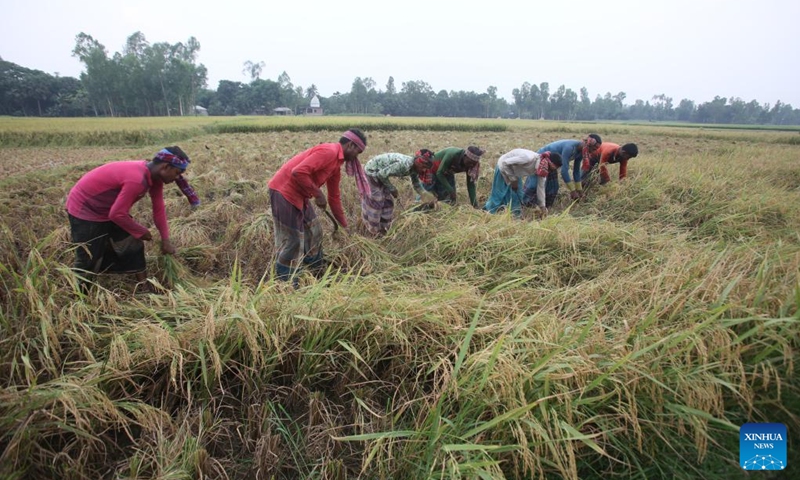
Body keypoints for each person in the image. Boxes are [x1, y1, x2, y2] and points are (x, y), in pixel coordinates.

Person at [65, 146, 190, 292]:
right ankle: (80, 295)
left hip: (110, 208)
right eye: (177, 173)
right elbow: (117, 214)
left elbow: (159, 208)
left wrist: (165, 240)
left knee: (132, 243)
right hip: (86, 209)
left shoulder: (155, 177)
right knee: (89, 256)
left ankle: (143, 287)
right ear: (166, 166)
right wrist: (140, 231)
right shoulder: (137, 179)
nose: (177, 178)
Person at [267, 128, 369, 282]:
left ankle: (315, 270)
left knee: (315, 231)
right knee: (293, 240)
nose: (357, 158)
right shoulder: (329, 152)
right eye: (358, 152)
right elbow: (298, 172)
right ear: (351, 145)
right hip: (283, 191)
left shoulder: (336, 165)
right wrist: (318, 194)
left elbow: (334, 198)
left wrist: (343, 226)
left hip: (301, 195)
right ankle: (285, 282)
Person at [361, 149, 436, 236]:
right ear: (418, 161)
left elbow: (416, 184)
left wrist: (425, 194)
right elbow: (381, 174)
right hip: (372, 171)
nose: (423, 170)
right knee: (377, 200)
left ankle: (384, 228)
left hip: (381, 174)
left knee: (388, 203)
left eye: (425, 168)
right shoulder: (404, 165)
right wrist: (392, 189)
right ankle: (374, 230)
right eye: (423, 167)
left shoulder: (414, 168)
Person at [521, 134, 601, 206]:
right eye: (594, 148)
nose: (593, 151)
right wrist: (572, 191)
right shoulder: (569, 148)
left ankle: (544, 205)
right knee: (534, 184)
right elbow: (564, 171)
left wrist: (579, 190)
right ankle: (524, 203)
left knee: (553, 187)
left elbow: (576, 172)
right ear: (588, 145)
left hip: (553, 164)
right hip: (541, 159)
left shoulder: (580, 153)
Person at [484, 149, 562, 218]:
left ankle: (515, 217)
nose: (550, 171)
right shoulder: (527, 158)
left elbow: (541, 189)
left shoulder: (543, 170)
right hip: (503, 168)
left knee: (518, 195)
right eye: (551, 169)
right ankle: (488, 212)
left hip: (516, 173)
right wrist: (513, 179)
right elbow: (505, 163)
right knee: (499, 194)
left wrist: (543, 207)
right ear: (547, 162)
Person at [421, 146, 485, 208]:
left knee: (449, 201)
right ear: (465, 156)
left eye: (473, 164)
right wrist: (450, 190)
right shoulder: (452, 154)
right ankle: (417, 205)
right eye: (470, 162)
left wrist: (475, 205)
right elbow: (439, 173)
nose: (471, 165)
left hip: (448, 172)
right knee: (426, 194)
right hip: (432, 169)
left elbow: (470, 185)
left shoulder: (471, 166)